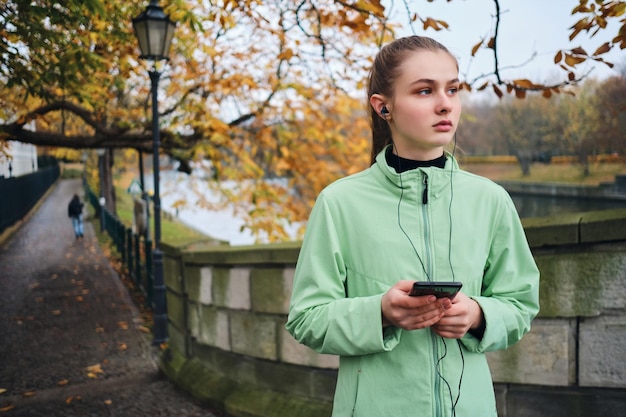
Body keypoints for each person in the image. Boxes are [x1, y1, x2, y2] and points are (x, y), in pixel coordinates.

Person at [285, 36, 540, 417]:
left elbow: (520, 304)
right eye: (425, 90)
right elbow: (307, 318)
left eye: (452, 89)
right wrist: (381, 313)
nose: (445, 104)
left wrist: (477, 315)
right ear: (383, 106)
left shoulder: (491, 200)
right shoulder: (339, 203)